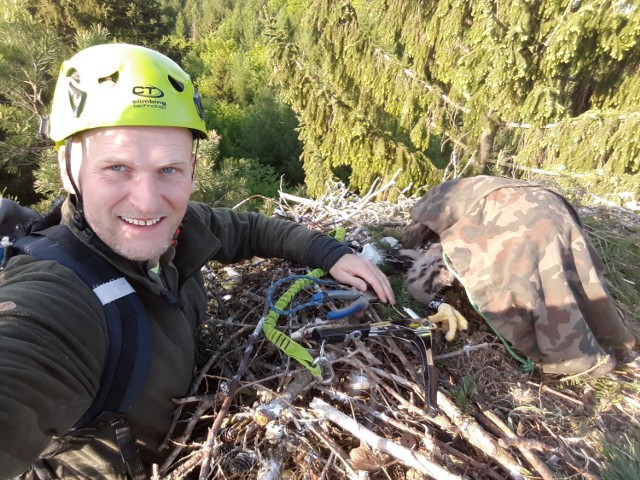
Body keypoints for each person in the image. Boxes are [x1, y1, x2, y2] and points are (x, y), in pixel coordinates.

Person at [0, 43, 395, 479]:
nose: (148, 202)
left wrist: (328, 252)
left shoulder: (179, 228)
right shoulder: (54, 300)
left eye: (168, 169)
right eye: (116, 168)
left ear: (191, 167)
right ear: (67, 168)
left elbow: (247, 228)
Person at [403, 175, 636, 377]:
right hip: (551, 206)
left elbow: (424, 268)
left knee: (518, 281)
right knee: (575, 275)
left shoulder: (439, 205)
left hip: (514, 212)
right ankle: (608, 340)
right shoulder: (454, 195)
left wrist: (434, 298)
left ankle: (566, 354)